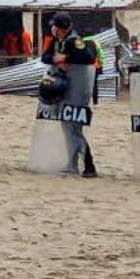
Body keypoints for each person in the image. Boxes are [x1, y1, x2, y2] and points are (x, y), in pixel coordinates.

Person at [43, 13, 99, 177]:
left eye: (55, 26)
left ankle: (89, 165)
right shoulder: (56, 41)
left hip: (77, 93)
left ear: (61, 28)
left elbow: (88, 57)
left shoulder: (74, 41)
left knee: (74, 129)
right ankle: (72, 163)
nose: (52, 29)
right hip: (63, 91)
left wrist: (67, 57)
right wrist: (55, 59)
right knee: (67, 128)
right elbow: (45, 57)